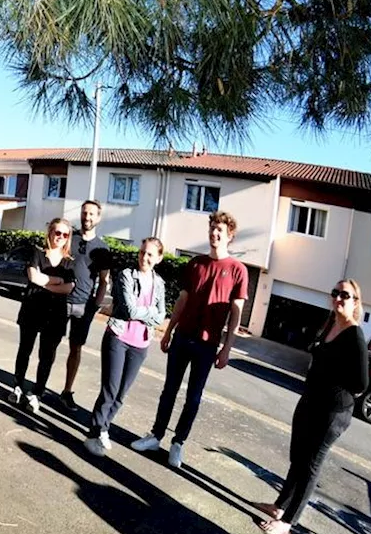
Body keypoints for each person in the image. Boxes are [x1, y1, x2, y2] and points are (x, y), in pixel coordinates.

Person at [131, 211, 248, 468]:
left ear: (229, 236)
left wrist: (227, 349)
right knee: (168, 390)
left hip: (207, 345)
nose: (214, 233)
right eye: (212, 228)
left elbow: (235, 314)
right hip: (183, 337)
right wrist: (169, 330)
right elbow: (182, 300)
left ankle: (178, 443)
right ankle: (156, 435)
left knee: (193, 397)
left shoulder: (238, 270)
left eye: (220, 230)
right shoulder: (195, 264)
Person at [258, 280, 368, 534]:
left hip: (332, 412)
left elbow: (361, 383)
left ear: (355, 302)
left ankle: (289, 522)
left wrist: (334, 382)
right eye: (335, 293)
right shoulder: (330, 324)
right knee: (298, 458)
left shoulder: (355, 335)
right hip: (309, 401)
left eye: (345, 295)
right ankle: (279, 506)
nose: (339, 298)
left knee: (310, 465)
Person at [85, 238, 166, 456]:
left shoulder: (159, 284)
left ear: (158, 258)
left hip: (140, 344)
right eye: (142, 252)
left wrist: (148, 314)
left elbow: (162, 317)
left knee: (121, 394)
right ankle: (94, 433)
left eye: (150, 254)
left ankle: (104, 427)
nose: (144, 257)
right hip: (118, 338)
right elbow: (130, 310)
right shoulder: (126, 275)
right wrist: (150, 312)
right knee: (109, 390)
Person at [10, 218, 75, 413]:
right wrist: (57, 280)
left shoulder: (70, 262)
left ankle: (37, 393)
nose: (60, 237)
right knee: (25, 350)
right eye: (57, 233)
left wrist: (45, 282)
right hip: (32, 309)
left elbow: (69, 288)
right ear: (50, 232)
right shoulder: (37, 253)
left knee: (47, 356)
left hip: (55, 314)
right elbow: (33, 277)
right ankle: (18, 385)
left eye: (65, 234)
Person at [59, 200, 110, 411]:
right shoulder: (70, 238)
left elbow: (104, 281)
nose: (87, 217)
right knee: (50, 344)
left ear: (98, 218)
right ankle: (40, 386)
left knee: (75, 348)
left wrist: (94, 307)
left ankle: (67, 391)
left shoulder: (103, 248)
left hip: (83, 306)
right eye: (84, 213)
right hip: (60, 301)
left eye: (91, 214)